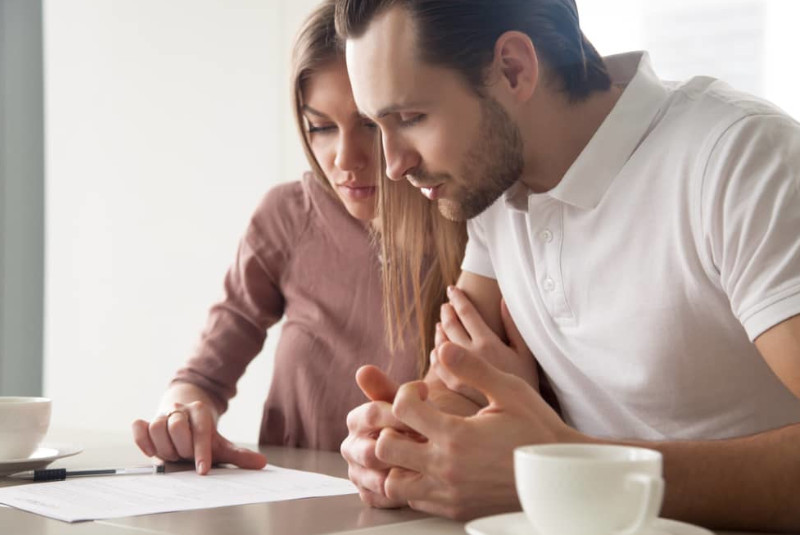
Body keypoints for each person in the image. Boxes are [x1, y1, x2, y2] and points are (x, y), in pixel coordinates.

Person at [334, 0, 800, 532]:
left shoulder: (740, 159)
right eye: (379, 126)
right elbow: (455, 392)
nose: (393, 165)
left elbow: (534, 454)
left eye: (411, 118)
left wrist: (560, 464)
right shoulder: (494, 188)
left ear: (514, 68)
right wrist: (407, 448)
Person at [131, 0, 464, 475]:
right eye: (321, 128)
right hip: (294, 506)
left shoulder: (473, 226)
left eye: (368, 125)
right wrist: (182, 413)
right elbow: (202, 376)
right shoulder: (287, 215)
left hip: (418, 504)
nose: (345, 159)